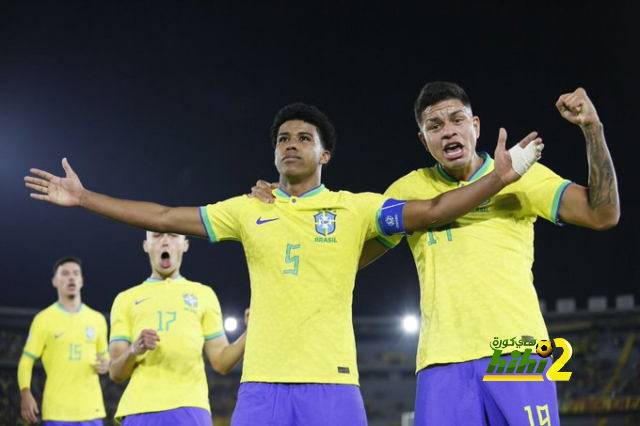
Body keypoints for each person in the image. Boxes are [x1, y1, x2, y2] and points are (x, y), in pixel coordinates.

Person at [24, 102, 542, 425]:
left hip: (334, 384)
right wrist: (86, 198)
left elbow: (432, 210)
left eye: (303, 139)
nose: (291, 145)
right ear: (274, 154)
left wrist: (498, 176)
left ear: (325, 155)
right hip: (261, 388)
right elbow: (162, 214)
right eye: (282, 139)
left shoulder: (356, 207)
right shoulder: (249, 209)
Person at [359, 84, 619, 425]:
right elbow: (354, 257)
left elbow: (603, 214)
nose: (448, 131)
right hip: (442, 360)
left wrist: (593, 129)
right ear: (423, 139)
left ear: (476, 126)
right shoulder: (409, 190)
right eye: (434, 126)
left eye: (457, 120)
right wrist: (291, 199)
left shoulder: (523, 174)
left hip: (517, 351)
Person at [108, 231, 248, 425]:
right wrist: (134, 349)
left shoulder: (203, 294)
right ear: (146, 245)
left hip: (190, 407)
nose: (165, 241)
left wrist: (250, 332)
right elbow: (115, 373)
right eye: (157, 236)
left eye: (173, 235)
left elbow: (221, 362)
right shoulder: (125, 299)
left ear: (185, 245)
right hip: (140, 409)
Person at [17, 256, 109, 425]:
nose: (71, 277)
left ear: (81, 280)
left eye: (76, 273)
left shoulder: (97, 319)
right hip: (58, 412)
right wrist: (25, 392)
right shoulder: (43, 319)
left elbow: (106, 357)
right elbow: (26, 360)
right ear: (55, 281)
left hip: (92, 411)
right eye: (65, 274)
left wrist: (106, 365)